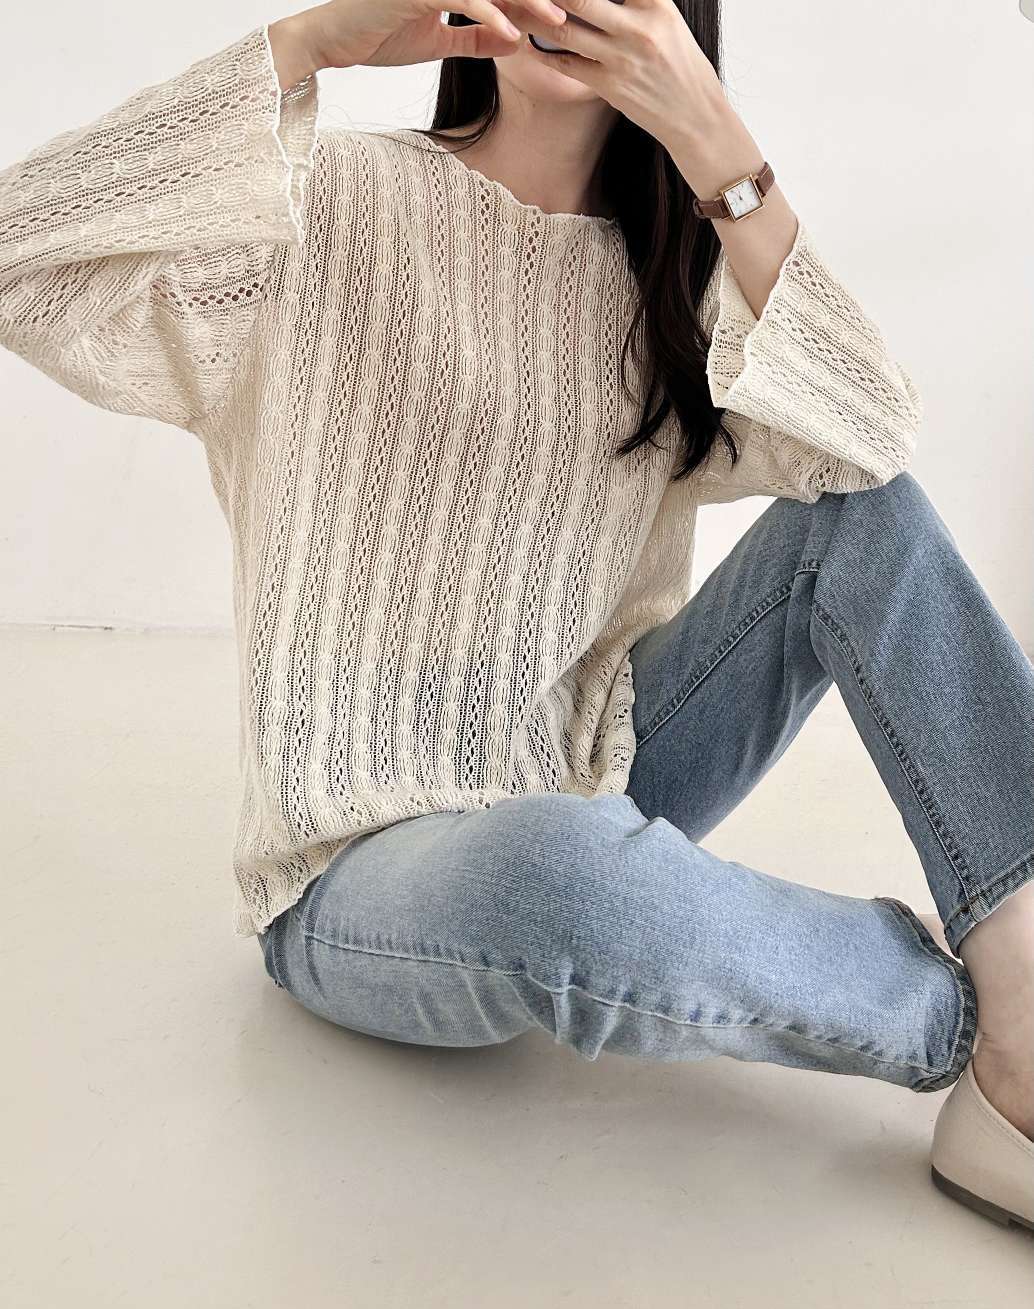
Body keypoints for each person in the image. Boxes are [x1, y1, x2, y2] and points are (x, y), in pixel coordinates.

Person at [1, 0, 1031, 1232]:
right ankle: (982, 1036)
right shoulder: (320, 204)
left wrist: (717, 145)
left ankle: (1029, 985)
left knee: (865, 522)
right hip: (352, 872)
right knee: (556, 865)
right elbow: (20, 256)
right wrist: (307, 46)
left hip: (599, 764)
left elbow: (872, 449)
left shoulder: (673, 283)